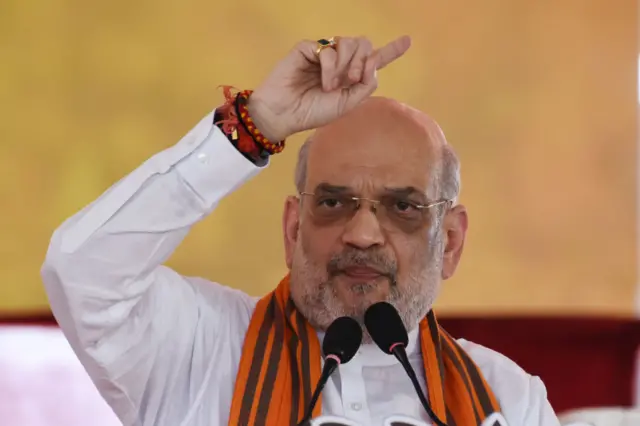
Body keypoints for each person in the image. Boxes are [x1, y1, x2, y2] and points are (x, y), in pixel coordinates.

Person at [41, 35, 561, 426]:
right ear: (293, 230)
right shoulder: (200, 349)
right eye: (333, 202)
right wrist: (257, 123)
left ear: (449, 242)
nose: (362, 234)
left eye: (402, 207)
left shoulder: (509, 401)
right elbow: (83, 272)